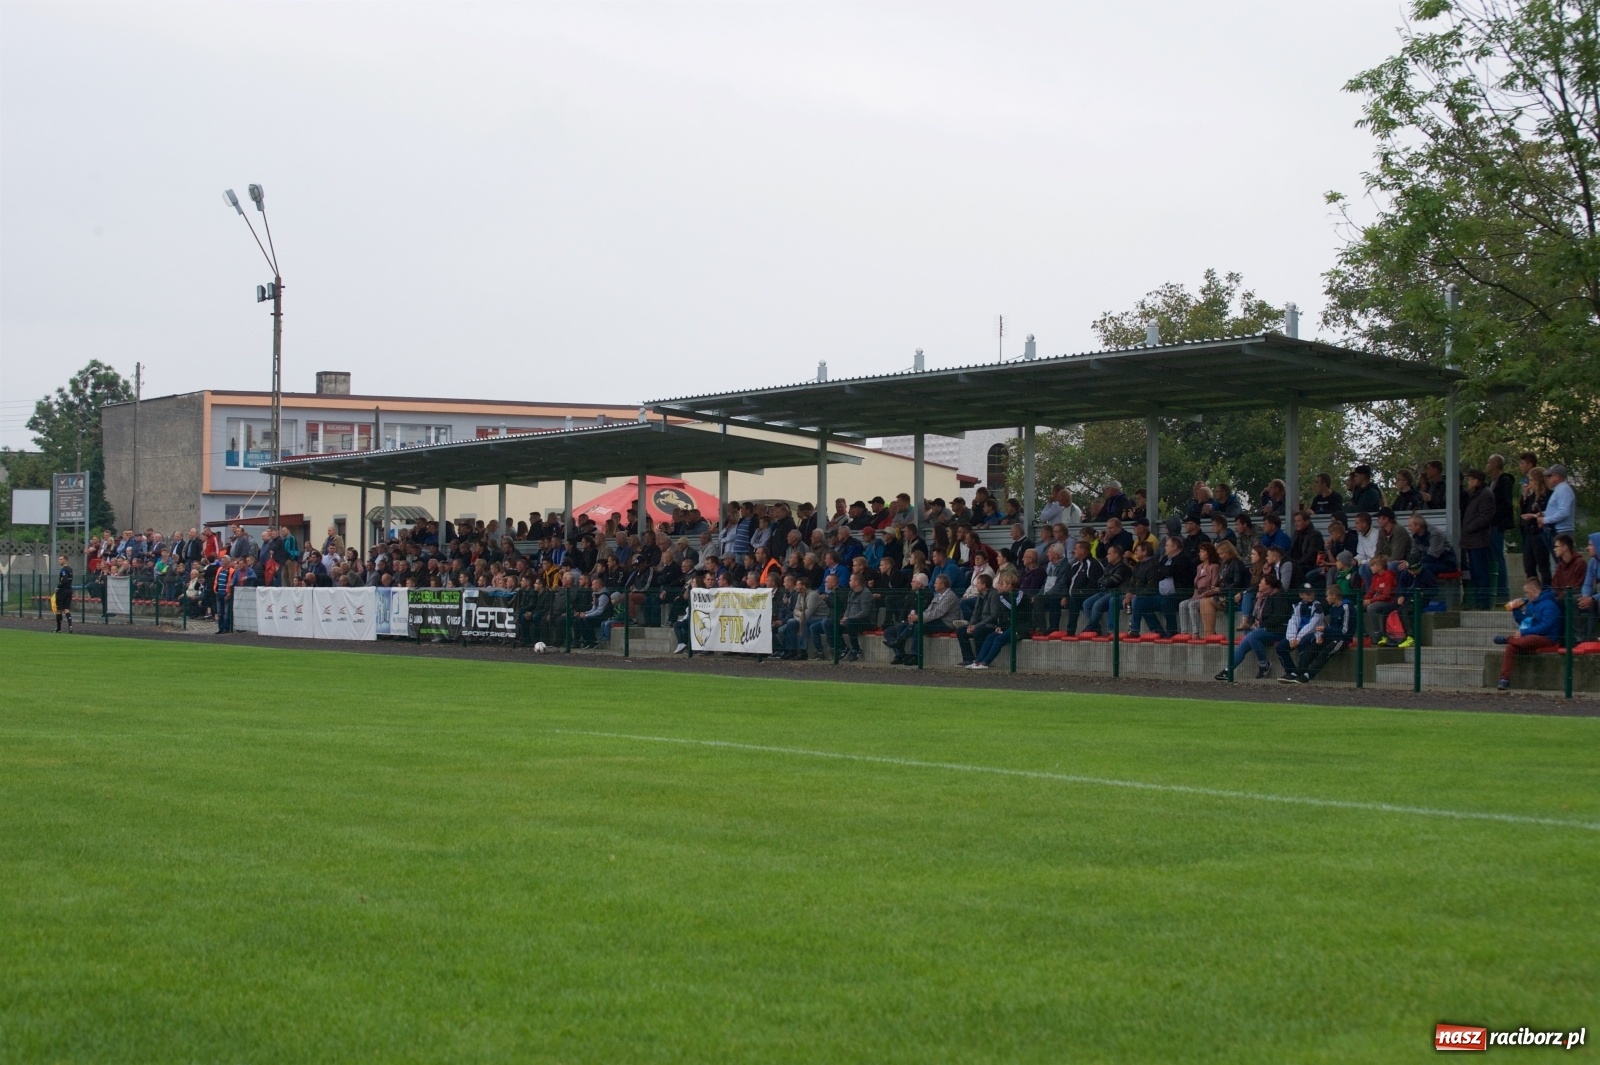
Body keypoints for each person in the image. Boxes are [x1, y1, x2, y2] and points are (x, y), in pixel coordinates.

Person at [1216, 572, 1291, 680]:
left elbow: (1278, 617)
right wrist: (1255, 624)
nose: (1259, 584)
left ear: (1268, 585)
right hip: (1264, 629)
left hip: (1278, 630)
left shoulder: (1279, 597)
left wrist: (1261, 625)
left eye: (1261, 582)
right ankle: (1228, 670)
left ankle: (1264, 665)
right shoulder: (1263, 597)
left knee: (1252, 636)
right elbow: (1254, 615)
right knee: (1245, 641)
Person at [1496, 578, 1562, 691]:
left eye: (1527, 592)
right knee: (1511, 647)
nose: (1526, 595)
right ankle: (1504, 679)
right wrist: (1516, 610)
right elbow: (1525, 622)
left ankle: (1508, 639)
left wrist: (1524, 632)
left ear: (1534, 590)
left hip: (1548, 638)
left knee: (1529, 638)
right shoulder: (1531, 605)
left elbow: (1544, 627)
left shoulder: (1549, 605)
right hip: (1530, 636)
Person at [1458, 469, 1497, 610]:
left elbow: (1485, 516)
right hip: (1471, 540)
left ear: (1477, 480)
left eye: (1470, 479)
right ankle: (1478, 601)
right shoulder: (1475, 495)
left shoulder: (1485, 494)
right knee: (1475, 573)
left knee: (1481, 572)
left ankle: (1483, 602)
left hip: (1478, 540)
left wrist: (1469, 527)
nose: (1468, 482)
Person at [1274, 583, 1322, 683]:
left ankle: (1300, 672)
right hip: (1297, 635)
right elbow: (1293, 622)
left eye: (1312, 593)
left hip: (1313, 633)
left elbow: (1312, 625)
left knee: (1304, 643)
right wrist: (1292, 638)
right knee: (1280, 647)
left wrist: (1298, 638)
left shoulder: (1317, 606)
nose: (1311, 596)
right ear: (1301, 595)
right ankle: (1291, 671)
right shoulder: (1297, 606)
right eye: (1307, 594)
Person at [1486, 454, 1517, 603]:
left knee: (1498, 557)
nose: (1487, 465)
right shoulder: (1491, 482)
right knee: (1492, 556)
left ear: (1495, 465)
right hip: (1491, 524)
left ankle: (1502, 591)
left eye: (1489, 462)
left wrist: (1494, 517)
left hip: (1496, 524)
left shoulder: (1503, 481)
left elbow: (1504, 503)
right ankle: (1496, 590)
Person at [1178, 541, 1221, 639]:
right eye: (1200, 551)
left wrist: (1200, 596)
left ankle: (1195, 632)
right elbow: (1196, 586)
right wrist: (1195, 596)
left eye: (1202, 552)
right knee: (1182, 604)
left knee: (1192, 604)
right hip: (1197, 595)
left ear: (1209, 553)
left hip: (1208, 596)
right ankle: (1184, 632)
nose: (1199, 554)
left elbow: (1214, 586)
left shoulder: (1214, 567)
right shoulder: (1199, 567)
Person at [956, 572, 1000, 666]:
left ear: (984, 585)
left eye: (979, 583)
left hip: (990, 625)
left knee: (978, 631)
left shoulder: (994, 595)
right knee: (961, 631)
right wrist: (971, 625)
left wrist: (976, 626)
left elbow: (993, 615)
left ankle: (980, 659)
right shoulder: (980, 596)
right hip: (979, 624)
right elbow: (975, 613)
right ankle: (968, 658)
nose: (976, 585)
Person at [1518, 464, 1552, 584]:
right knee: (1528, 564)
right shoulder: (1533, 496)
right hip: (1530, 532)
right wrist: (1525, 496)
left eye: (1532, 480)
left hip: (1540, 532)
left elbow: (1545, 512)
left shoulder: (1547, 495)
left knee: (1543, 564)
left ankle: (1547, 588)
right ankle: (1533, 589)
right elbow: (1525, 510)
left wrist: (1533, 516)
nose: (1530, 483)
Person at [53, 554, 73, 633]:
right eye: (59, 559)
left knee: (59, 610)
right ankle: (70, 627)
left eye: (61, 559)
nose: (59, 561)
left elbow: (64, 580)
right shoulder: (70, 569)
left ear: (65, 560)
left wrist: (58, 586)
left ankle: (59, 628)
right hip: (69, 590)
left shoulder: (64, 570)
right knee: (66, 609)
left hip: (62, 591)